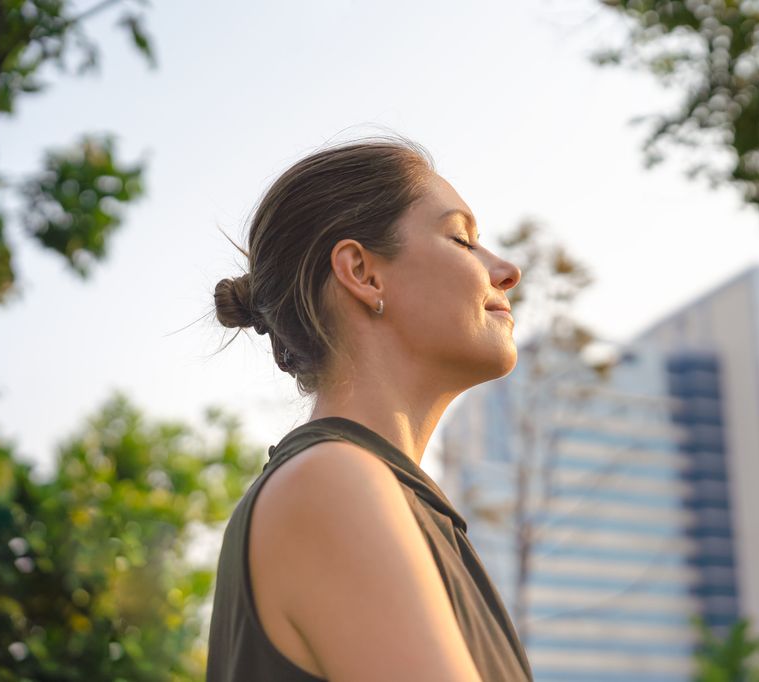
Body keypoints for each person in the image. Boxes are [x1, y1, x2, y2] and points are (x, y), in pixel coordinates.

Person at [205, 134, 531, 681]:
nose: (505, 270)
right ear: (362, 272)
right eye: (461, 239)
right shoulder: (332, 483)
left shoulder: (392, 500)